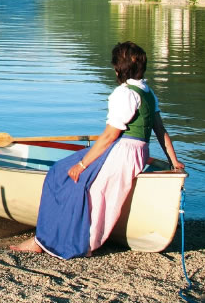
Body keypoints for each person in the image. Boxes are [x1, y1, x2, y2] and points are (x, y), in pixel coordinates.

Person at [11, 41, 184, 258]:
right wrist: (174, 161)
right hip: (138, 152)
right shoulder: (148, 93)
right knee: (69, 175)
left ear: (118, 68)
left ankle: (61, 241)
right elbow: (161, 131)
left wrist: (81, 165)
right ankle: (53, 237)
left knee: (64, 177)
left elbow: (110, 135)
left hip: (122, 152)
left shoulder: (125, 94)